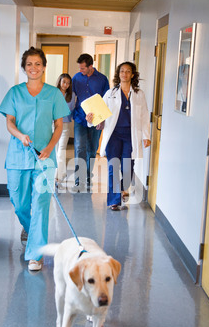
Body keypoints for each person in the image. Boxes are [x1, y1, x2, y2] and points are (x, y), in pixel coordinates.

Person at [0, 47, 69, 270]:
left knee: (40, 204)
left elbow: (59, 125)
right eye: (29, 64)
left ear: (44, 67)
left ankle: (36, 254)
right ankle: (29, 228)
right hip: (19, 155)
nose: (34, 68)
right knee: (19, 203)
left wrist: (50, 148)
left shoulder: (54, 94)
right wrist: (20, 135)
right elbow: (9, 122)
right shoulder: (15, 93)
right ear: (24, 67)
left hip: (44, 158)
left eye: (38, 64)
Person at [87, 61, 151, 210]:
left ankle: (123, 187)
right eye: (122, 71)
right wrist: (92, 120)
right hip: (114, 135)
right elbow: (99, 113)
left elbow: (143, 116)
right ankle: (114, 201)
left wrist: (146, 136)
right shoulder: (110, 94)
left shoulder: (138, 94)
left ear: (132, 74)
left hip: (131, 136)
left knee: (128, 167)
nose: (124, 74)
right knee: (113, 166)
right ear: (118, 74)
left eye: (128, 71)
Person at [72, 53, 109, 191]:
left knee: (92, 150)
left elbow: (106, 100)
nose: (80, 70)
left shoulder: (102, 79)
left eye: (83, 68)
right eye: (79, 68)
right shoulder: (76, 78)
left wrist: (102, 119)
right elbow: (72, 97)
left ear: (90, 66)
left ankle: (87, 176)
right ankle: (78, 179)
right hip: (80, 118)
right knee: (80, 148)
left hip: (96, 120)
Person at [55, 73, 76, 188]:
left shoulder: (71, 95)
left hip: (65, 126)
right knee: (55, 149)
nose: (66, 85)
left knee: (61, 151)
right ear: (59, 82)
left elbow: (71, 110)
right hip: (53, 125)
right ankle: (56, 174)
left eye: (68, 83)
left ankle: (59, 176)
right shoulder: (53, 93)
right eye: (64, 82)